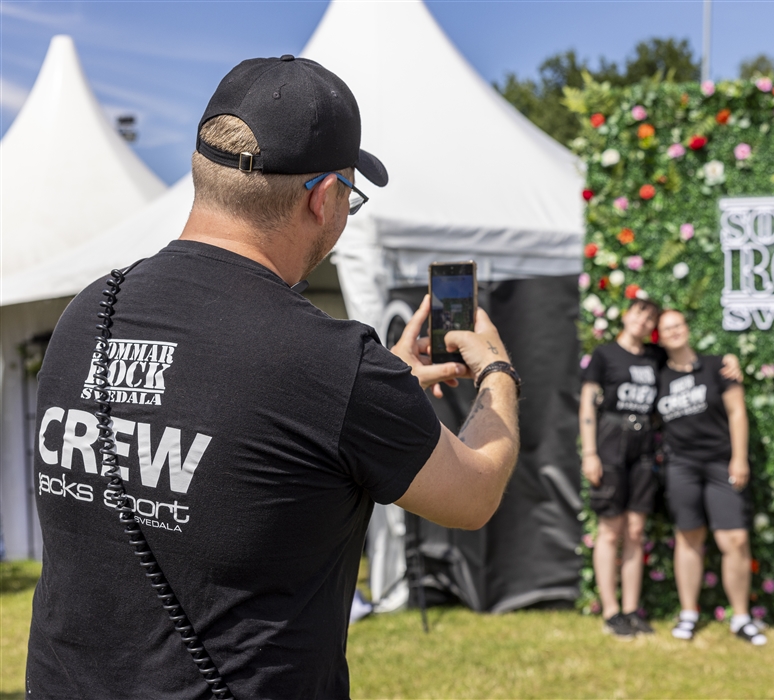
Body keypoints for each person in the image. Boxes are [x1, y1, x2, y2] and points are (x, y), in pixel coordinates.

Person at [26, 56, 520, 699]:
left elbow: (218, 415)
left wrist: (375, 391)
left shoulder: (88, 310)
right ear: (322, 198)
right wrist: (497, 372)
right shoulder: (329, 362)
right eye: (350, 193)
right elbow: (474, 492)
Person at [580, 299, 741, 639]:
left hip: (644, 449)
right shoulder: (604, 355)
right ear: (625, 315)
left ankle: (631, 610)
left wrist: (730, 361)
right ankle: (611, 612)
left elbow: (693, 364)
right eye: (639, 312)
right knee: (610, 530)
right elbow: (587, 404)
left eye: (650, 317)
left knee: (636, 531)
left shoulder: (655, 357)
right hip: (609, 444)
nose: (643, 320)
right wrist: (590, 452)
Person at [655, 309, 766, 645]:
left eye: (678, 324)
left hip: (721, 463)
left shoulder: (719, 366)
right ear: (659, 338)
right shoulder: (657, 375)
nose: (674, 331)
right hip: (681, 466)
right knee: (689, 537)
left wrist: (739, 457)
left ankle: (741, 617)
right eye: (666, 328)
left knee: (735, 540)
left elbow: (737, 412)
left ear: (687, 328)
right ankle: (689, 614)